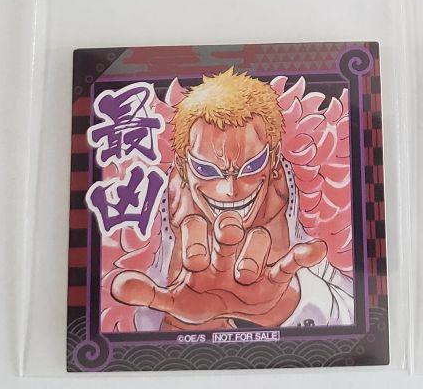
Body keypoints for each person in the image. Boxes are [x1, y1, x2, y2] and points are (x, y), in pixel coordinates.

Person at [111, 69, 354, 330]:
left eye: (252, 166)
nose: (230, 189)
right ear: (183, 166)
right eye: (206, 170)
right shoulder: (161, 223)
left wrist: (288, 307)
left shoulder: (311, 206)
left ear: (273, 159)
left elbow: (365, 316)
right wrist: (182, 329)